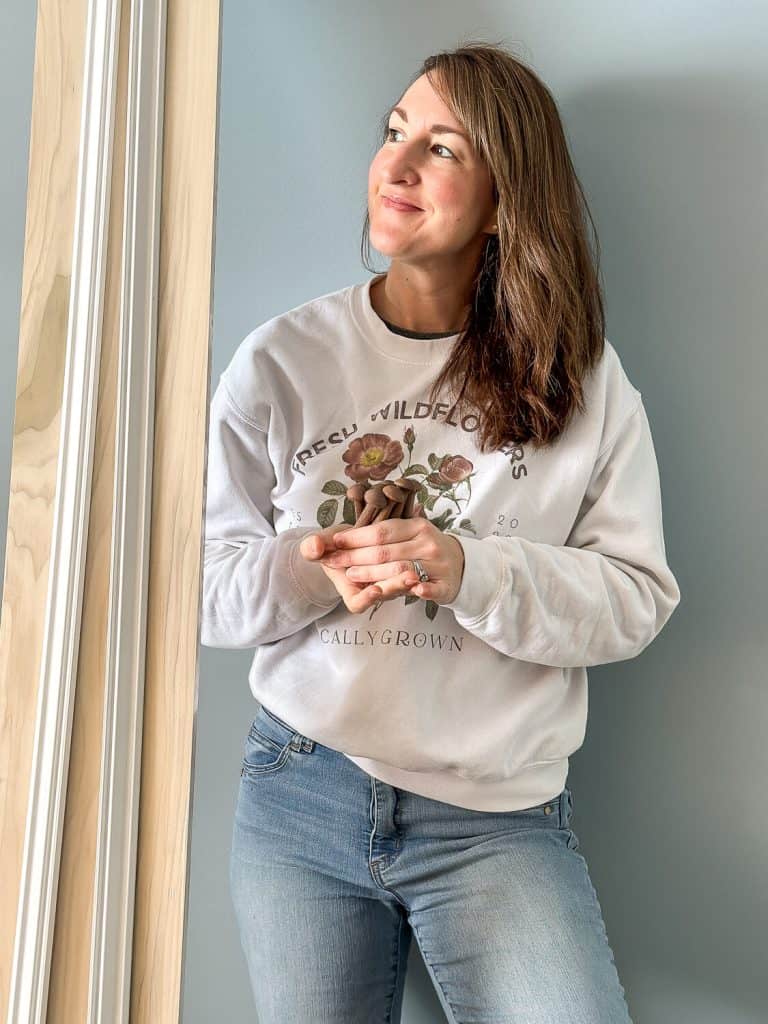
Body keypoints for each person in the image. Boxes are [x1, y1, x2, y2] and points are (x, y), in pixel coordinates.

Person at [201, 41, 681, 1023]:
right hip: (302, 795)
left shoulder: (581, 380)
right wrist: (317, 568)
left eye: (442, 147)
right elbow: (207, 593)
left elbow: (637, 598)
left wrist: (465, 567)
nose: (397, 164)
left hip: (496, 820)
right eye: (392, 134)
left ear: (506, 199)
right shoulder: (281, 363)